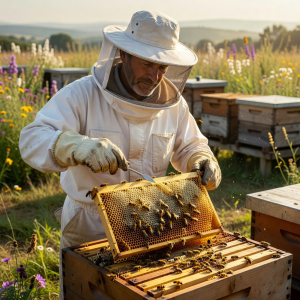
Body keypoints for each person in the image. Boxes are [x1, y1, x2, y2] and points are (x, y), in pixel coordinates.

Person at [19, 10, 221, 299]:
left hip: (150, 224)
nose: (155, 76)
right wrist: (75, 145)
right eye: (148, 63)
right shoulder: (82, 95)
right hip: (90, 224)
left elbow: (190, 145)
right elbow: (31, 139)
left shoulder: (173, 105)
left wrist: (202, 159)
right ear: (124, 54)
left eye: (163, 66)